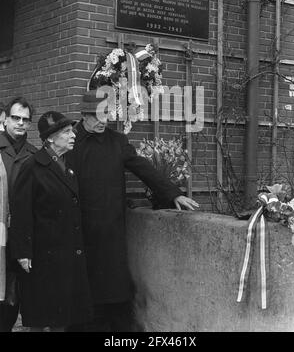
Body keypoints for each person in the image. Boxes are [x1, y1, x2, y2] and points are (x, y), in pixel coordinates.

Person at [66, 91, 199, 332]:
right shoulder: (70, 141)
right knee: (82, 291)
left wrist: (172, 193)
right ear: (84, 116)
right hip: (79, 229)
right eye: (97, 116)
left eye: (106, 114)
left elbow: (142, 168)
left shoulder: (117, 141)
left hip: (111, 226)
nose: (103, 121)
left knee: (114, 288)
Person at [9, 111, 93, 332]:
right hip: (42, 255)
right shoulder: (32, 166)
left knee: (62, 314)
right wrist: (23, 253)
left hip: (65, 252)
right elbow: (21, 211)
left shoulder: (67, 166)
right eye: (66, 131)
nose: (73, 135)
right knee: (40, 315)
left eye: (71, 130)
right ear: (50, 138)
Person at [0, 96, 37, 332]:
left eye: (25, 119)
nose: (20, 123)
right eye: (15, 117)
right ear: (4, 118)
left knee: (13, 295)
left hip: (21, 234)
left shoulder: (35, 155)